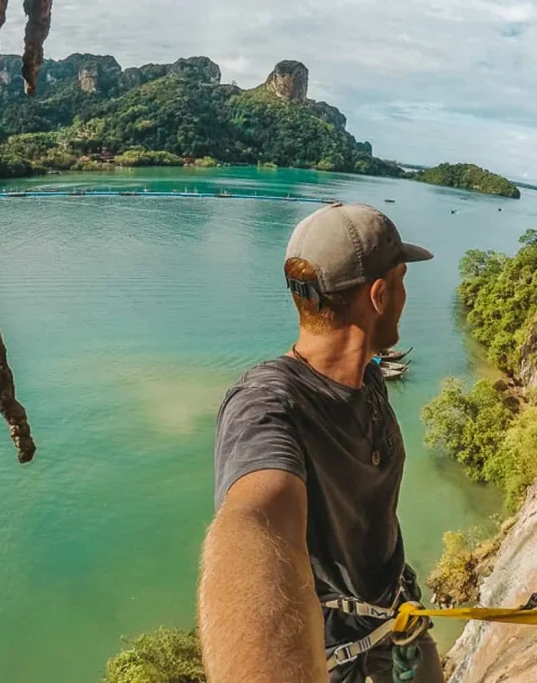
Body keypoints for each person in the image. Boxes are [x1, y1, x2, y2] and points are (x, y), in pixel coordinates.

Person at [198, 203, 445, 683]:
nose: (404, 296)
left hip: (396, 616)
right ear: (380, 295)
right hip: (337, 656)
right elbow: (253, 523)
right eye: (402, 282)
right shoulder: (267, 405)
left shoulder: (366, 378)